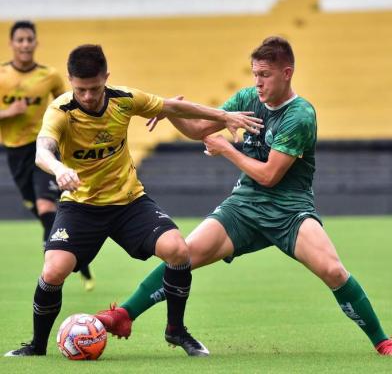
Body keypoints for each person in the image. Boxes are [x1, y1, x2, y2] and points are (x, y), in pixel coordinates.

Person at [95, 36, 392, 356]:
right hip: (245, 205)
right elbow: (200, 128)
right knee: (183, 254)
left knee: (333, 271)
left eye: (265, 75)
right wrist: (172, 112)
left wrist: (225, 148)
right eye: (255, 74)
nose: (258, 82)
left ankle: (382, 342)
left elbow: (269, 175)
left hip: (289, 210)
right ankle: (124, 315)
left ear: (287, 73)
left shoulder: (300, 115)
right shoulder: (248, 98)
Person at [4, 44, 262, 358]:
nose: (87, 96)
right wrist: (60, 169)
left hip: (129, 202)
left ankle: (176, 331)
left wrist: (224, 116)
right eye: (81, 89)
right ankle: (37, 345)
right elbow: (41, 151)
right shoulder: (61, 110)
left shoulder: (124, 99)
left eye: (94, 88)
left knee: (178, 250)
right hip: (80, 206)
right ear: (71, 81)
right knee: (54, 270)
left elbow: (172, 106)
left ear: (106, 78)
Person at [0, 20, 95, 290]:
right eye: (20, 40)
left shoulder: (50, 76)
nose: (25, 44)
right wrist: (8, 113)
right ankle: (79, 260)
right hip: (15, 152)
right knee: (40, 211)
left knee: (46, 207)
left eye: (30, 39)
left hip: (43, 147)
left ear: (36, 43)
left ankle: (54, 268)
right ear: (12, 44)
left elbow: (69, 104)